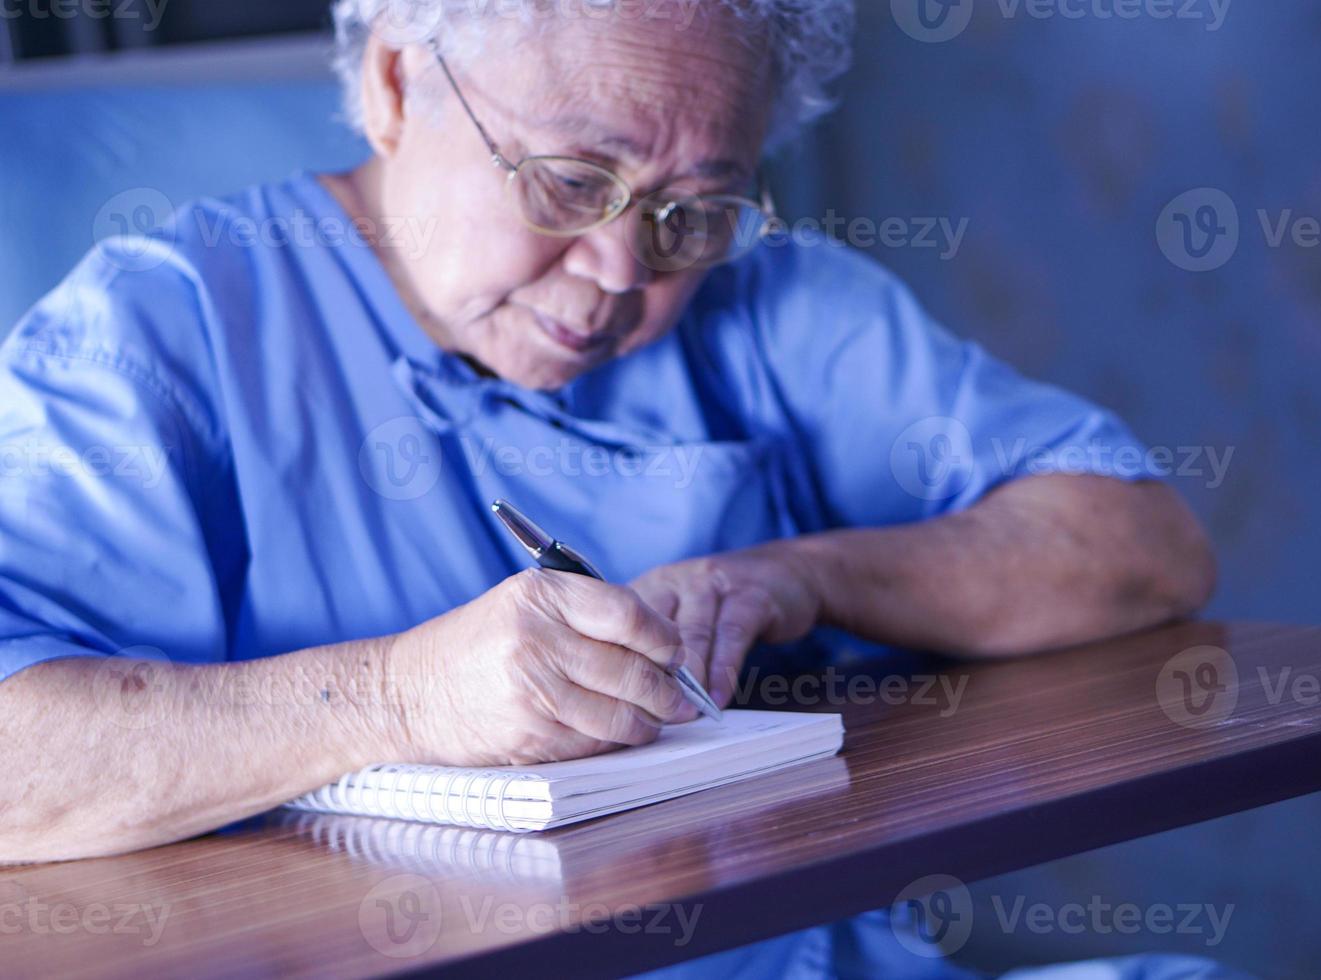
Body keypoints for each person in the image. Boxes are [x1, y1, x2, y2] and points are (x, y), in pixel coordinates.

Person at [0, 1, 1232, 975]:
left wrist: (803, 573)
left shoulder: (767, 300)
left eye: (691, 213)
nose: (615, 272)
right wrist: (394, 695)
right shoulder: (160, 333)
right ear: (392, 84)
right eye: (570, 182)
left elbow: (1140, 542)